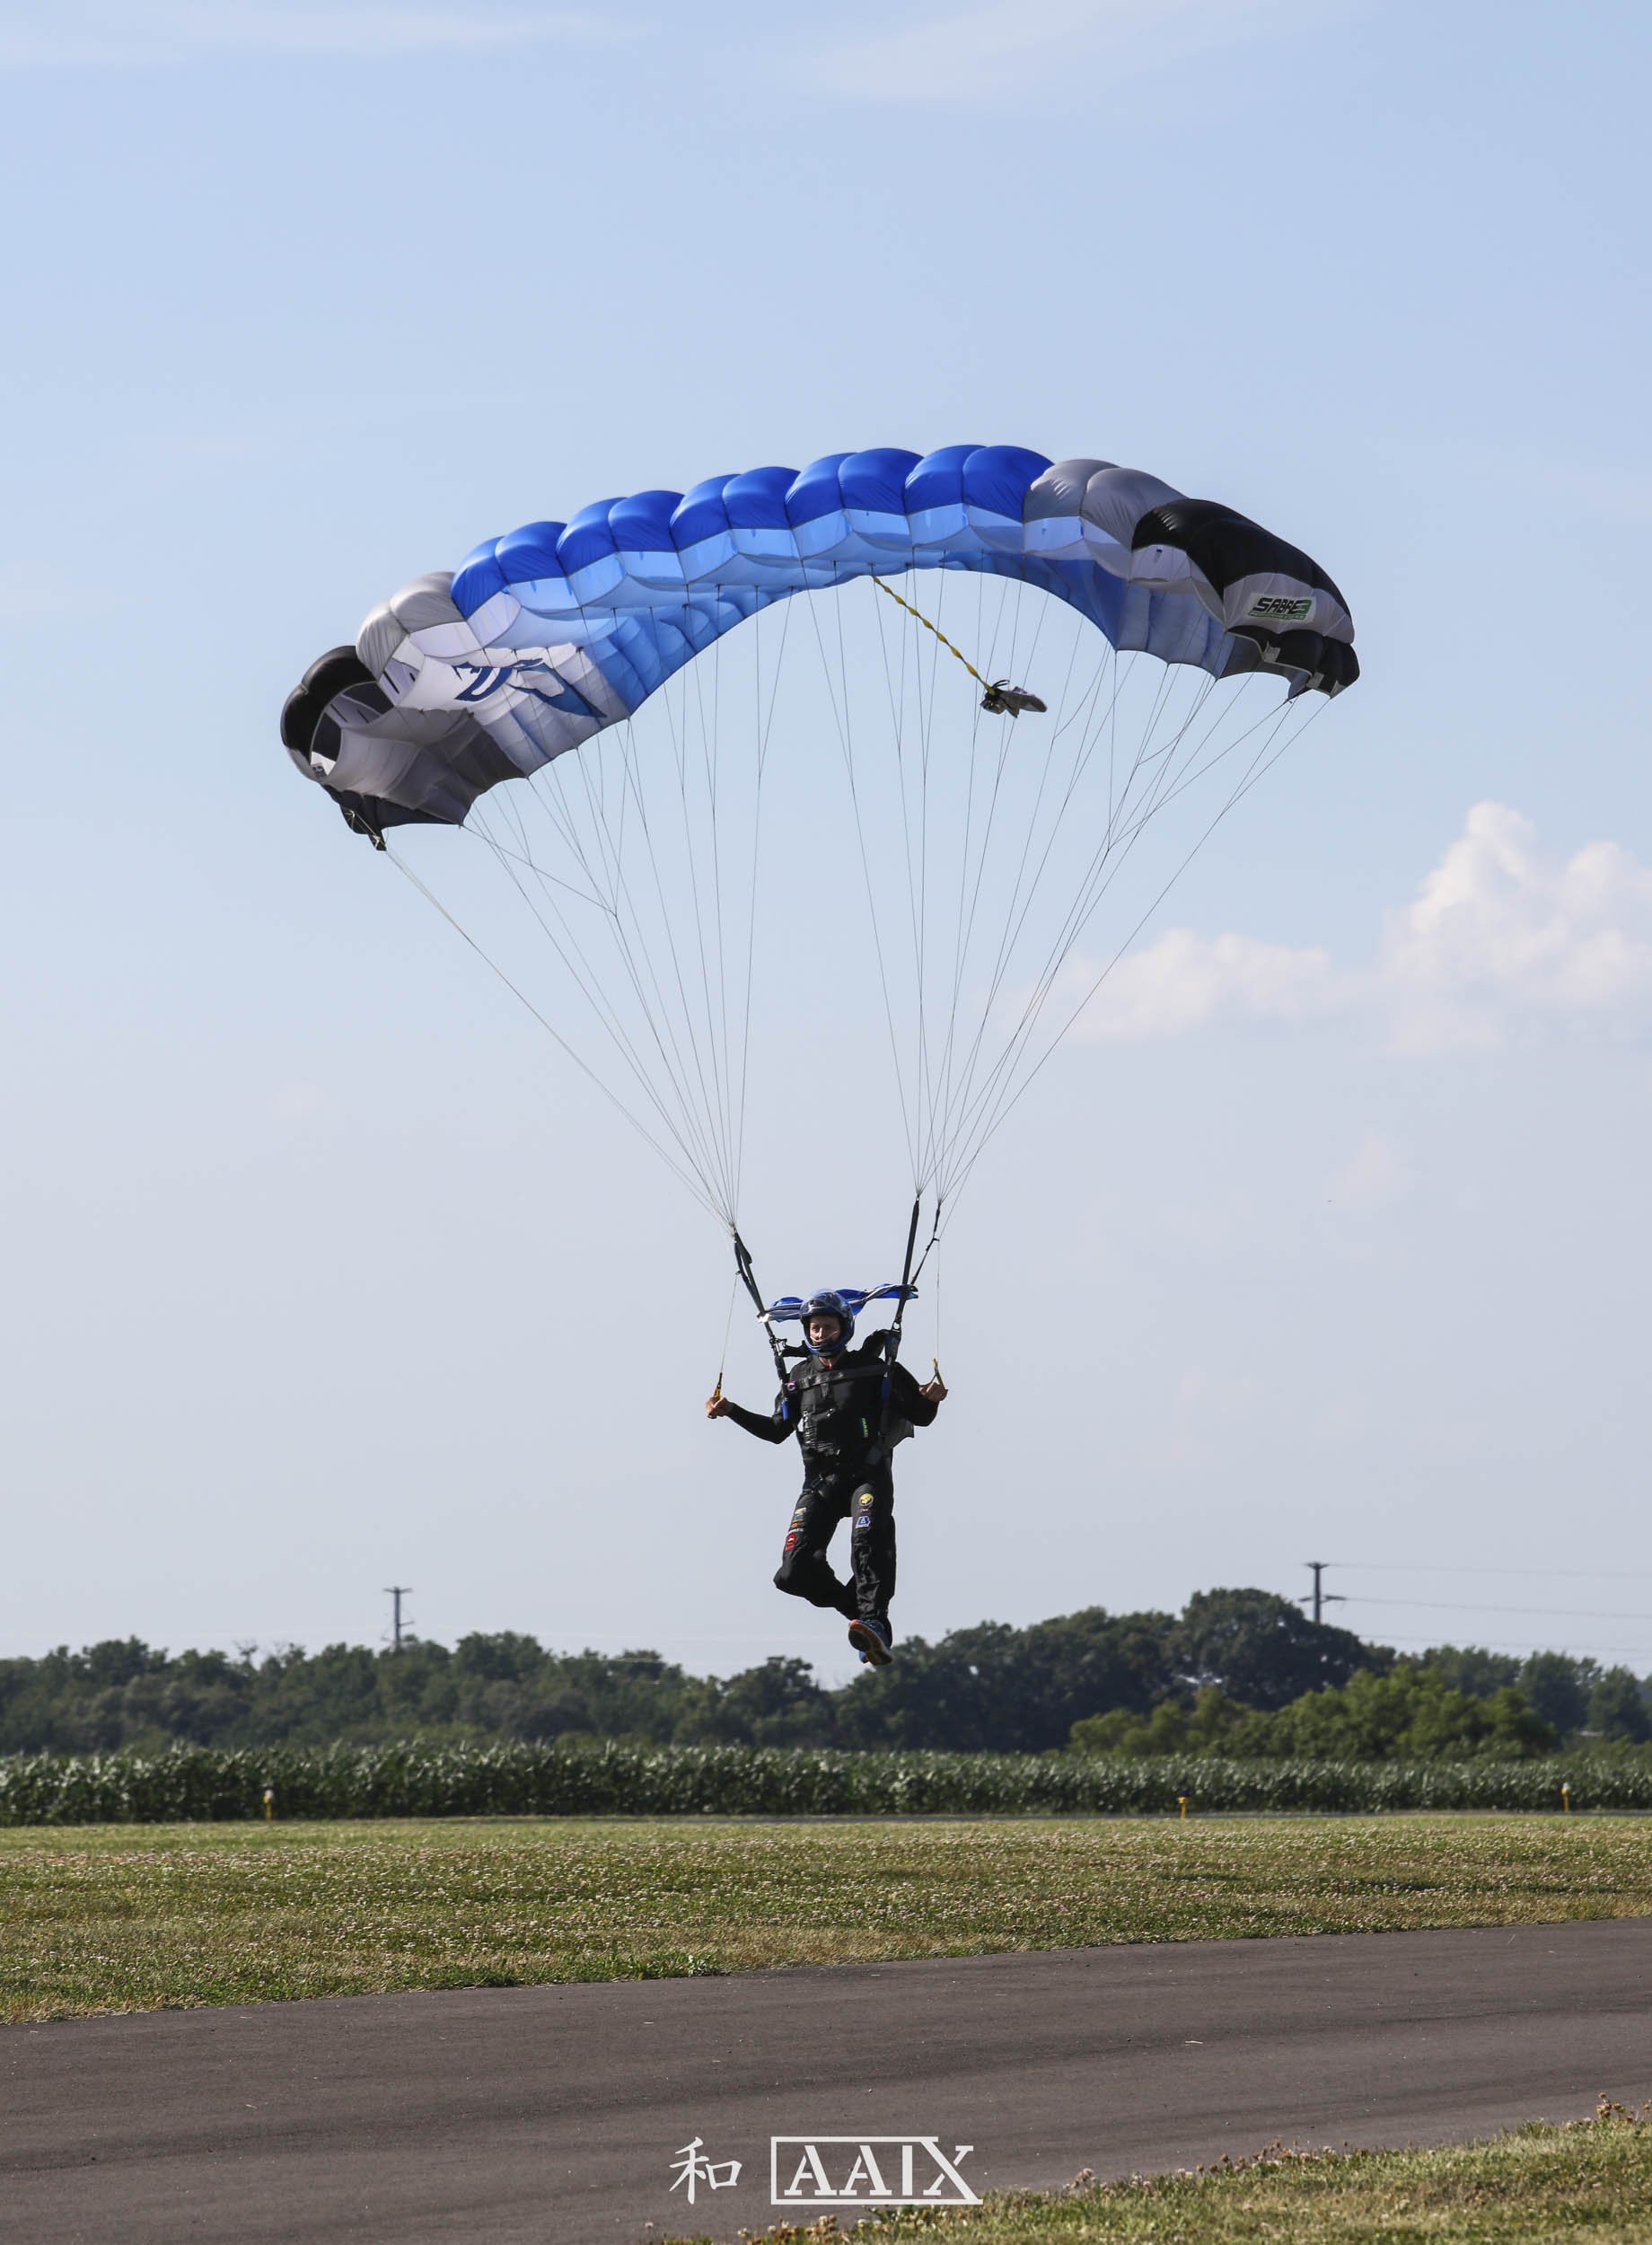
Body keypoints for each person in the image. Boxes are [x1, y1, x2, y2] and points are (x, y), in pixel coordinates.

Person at [706, 1290, 947, 1666]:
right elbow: (775, 1431)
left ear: (844, 1328)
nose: (819, 1334)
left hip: (868, 1474)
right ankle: (857, 1612)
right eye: (814, 1328)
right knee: (792, 1573)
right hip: (820, 1482)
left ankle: (874, 1621)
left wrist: (932, 1397)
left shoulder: (876, 1369)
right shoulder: (798, 1378)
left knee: (867, 1538)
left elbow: (922, 1415)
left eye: (827, 1327)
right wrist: (731, 1410)